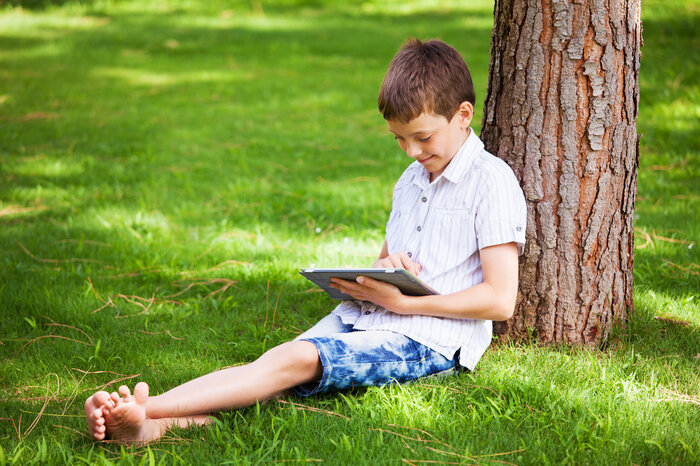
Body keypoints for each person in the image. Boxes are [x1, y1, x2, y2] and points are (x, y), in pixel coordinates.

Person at [84, 38, 527, 444]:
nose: (411, 152)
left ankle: (144, 407)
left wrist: (405, 305)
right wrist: (389, 266)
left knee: (291, 364)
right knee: (275, 365)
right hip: (371, 318)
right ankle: (148, 427)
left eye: (422, 137)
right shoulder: (412, 179)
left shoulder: (491, 182)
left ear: (463, 115)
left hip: (428, 340)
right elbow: (385, 258)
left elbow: (499, 300)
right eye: (399, 139)